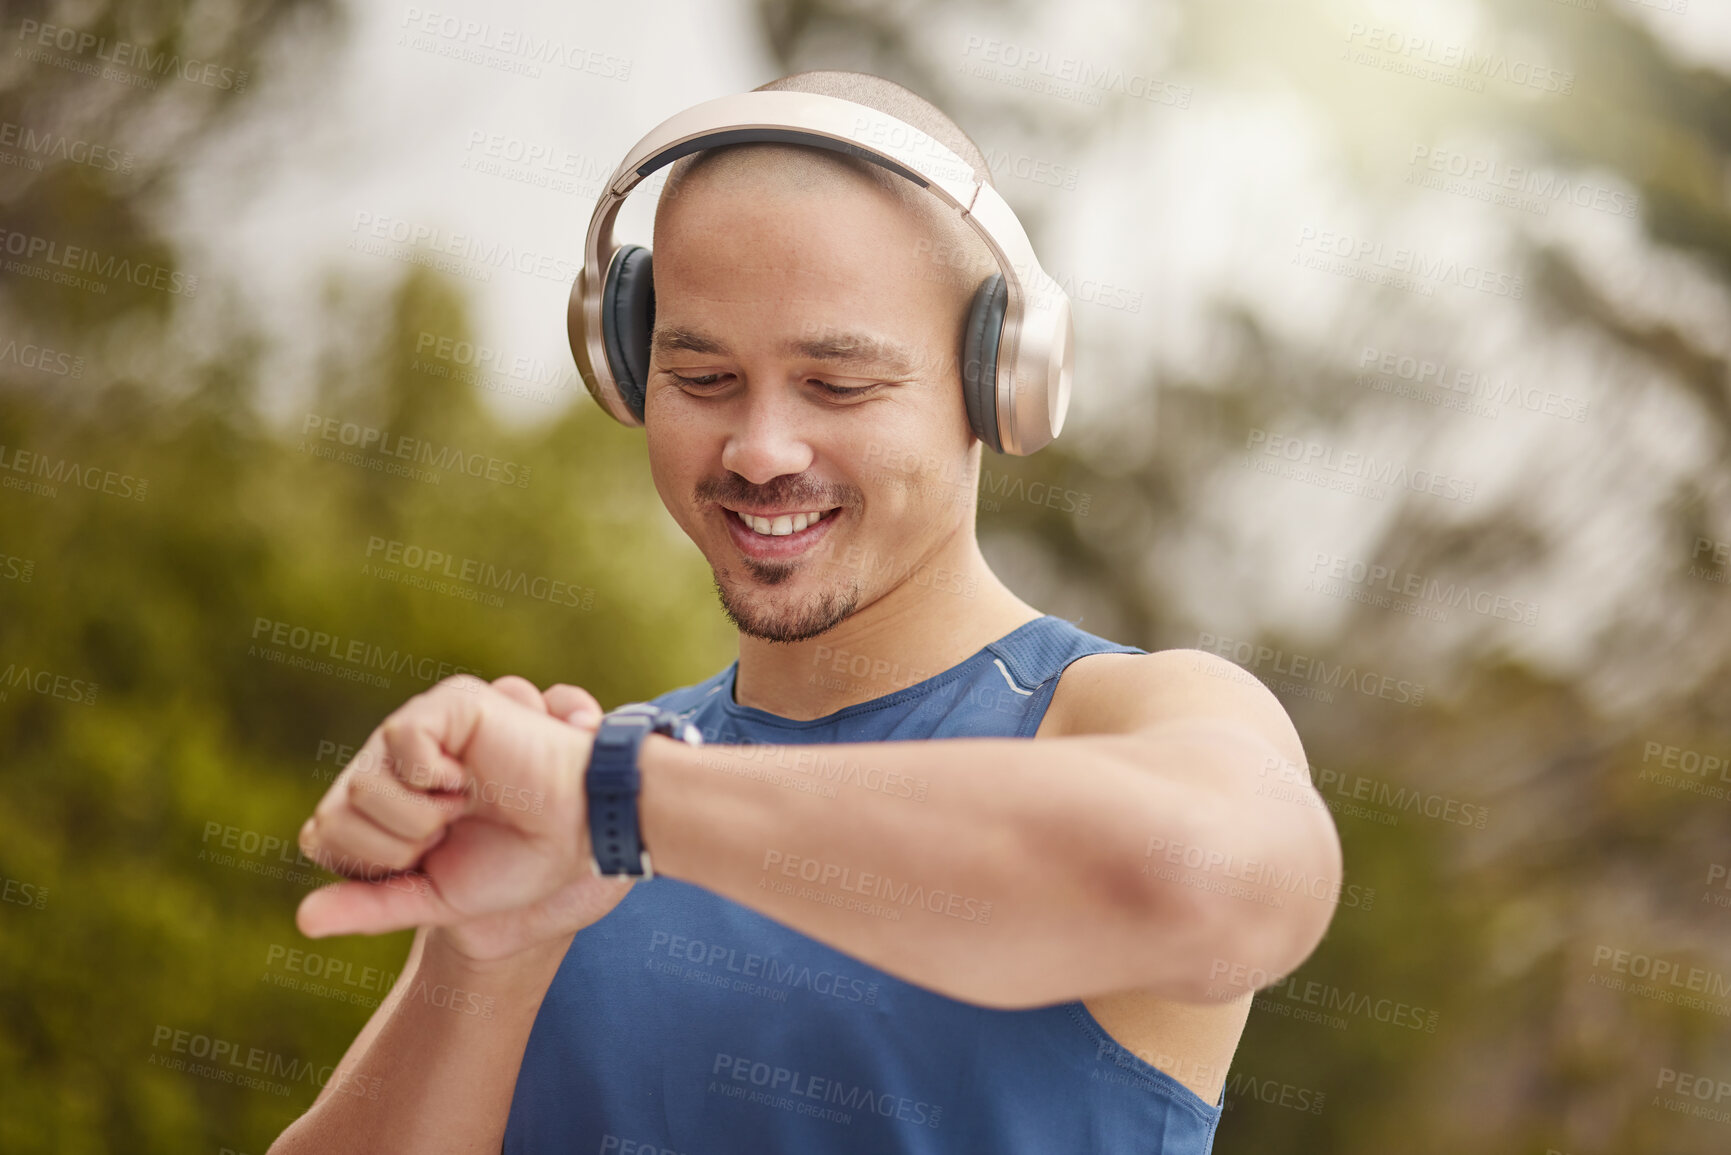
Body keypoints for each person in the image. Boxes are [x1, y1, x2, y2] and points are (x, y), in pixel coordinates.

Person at [267, 69, 1342, 1155]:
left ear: (998, 385)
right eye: (704, 378)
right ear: (629, 366)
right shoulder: (571, 826)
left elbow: (1225, 890)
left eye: (838, 386)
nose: (760, 450)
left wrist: (618, 798)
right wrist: (482, 954)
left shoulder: (1129, 715)